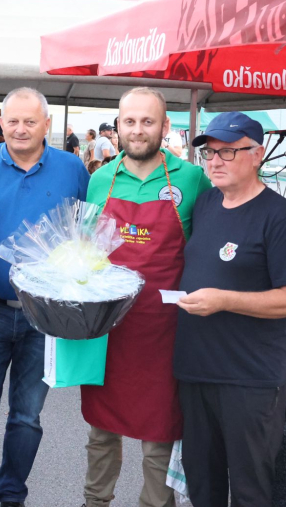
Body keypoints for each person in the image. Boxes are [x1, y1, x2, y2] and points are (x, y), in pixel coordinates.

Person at [80, 88, 212, 507]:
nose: (138, 130)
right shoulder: (101, 179)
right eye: (130, 122)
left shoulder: (190, 179)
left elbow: (207, 249)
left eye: (147, 121)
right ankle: (94, 501)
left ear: (165, 127)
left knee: (161, 434)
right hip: (110, 327)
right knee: (101, 431)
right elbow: (85, 248)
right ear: (118, 126)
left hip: (165, 327)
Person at [0, 88, 90, 507]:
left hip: (45, 317)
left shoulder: (72, 169)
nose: (20, 129)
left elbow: (84, 236)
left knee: (27, 417)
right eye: (12, 120)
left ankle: (13, 495)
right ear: (1, 121)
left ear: (46, 125)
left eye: (30, 121)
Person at [174, 111, 286, 507]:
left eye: (228, 152)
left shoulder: (280, 216)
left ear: (258, 154)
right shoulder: (205, 204)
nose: (215, 161)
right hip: (196, 370)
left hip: (248, 379)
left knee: (250, 490)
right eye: (210, 153)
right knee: (202, 485)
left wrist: (224, 300)